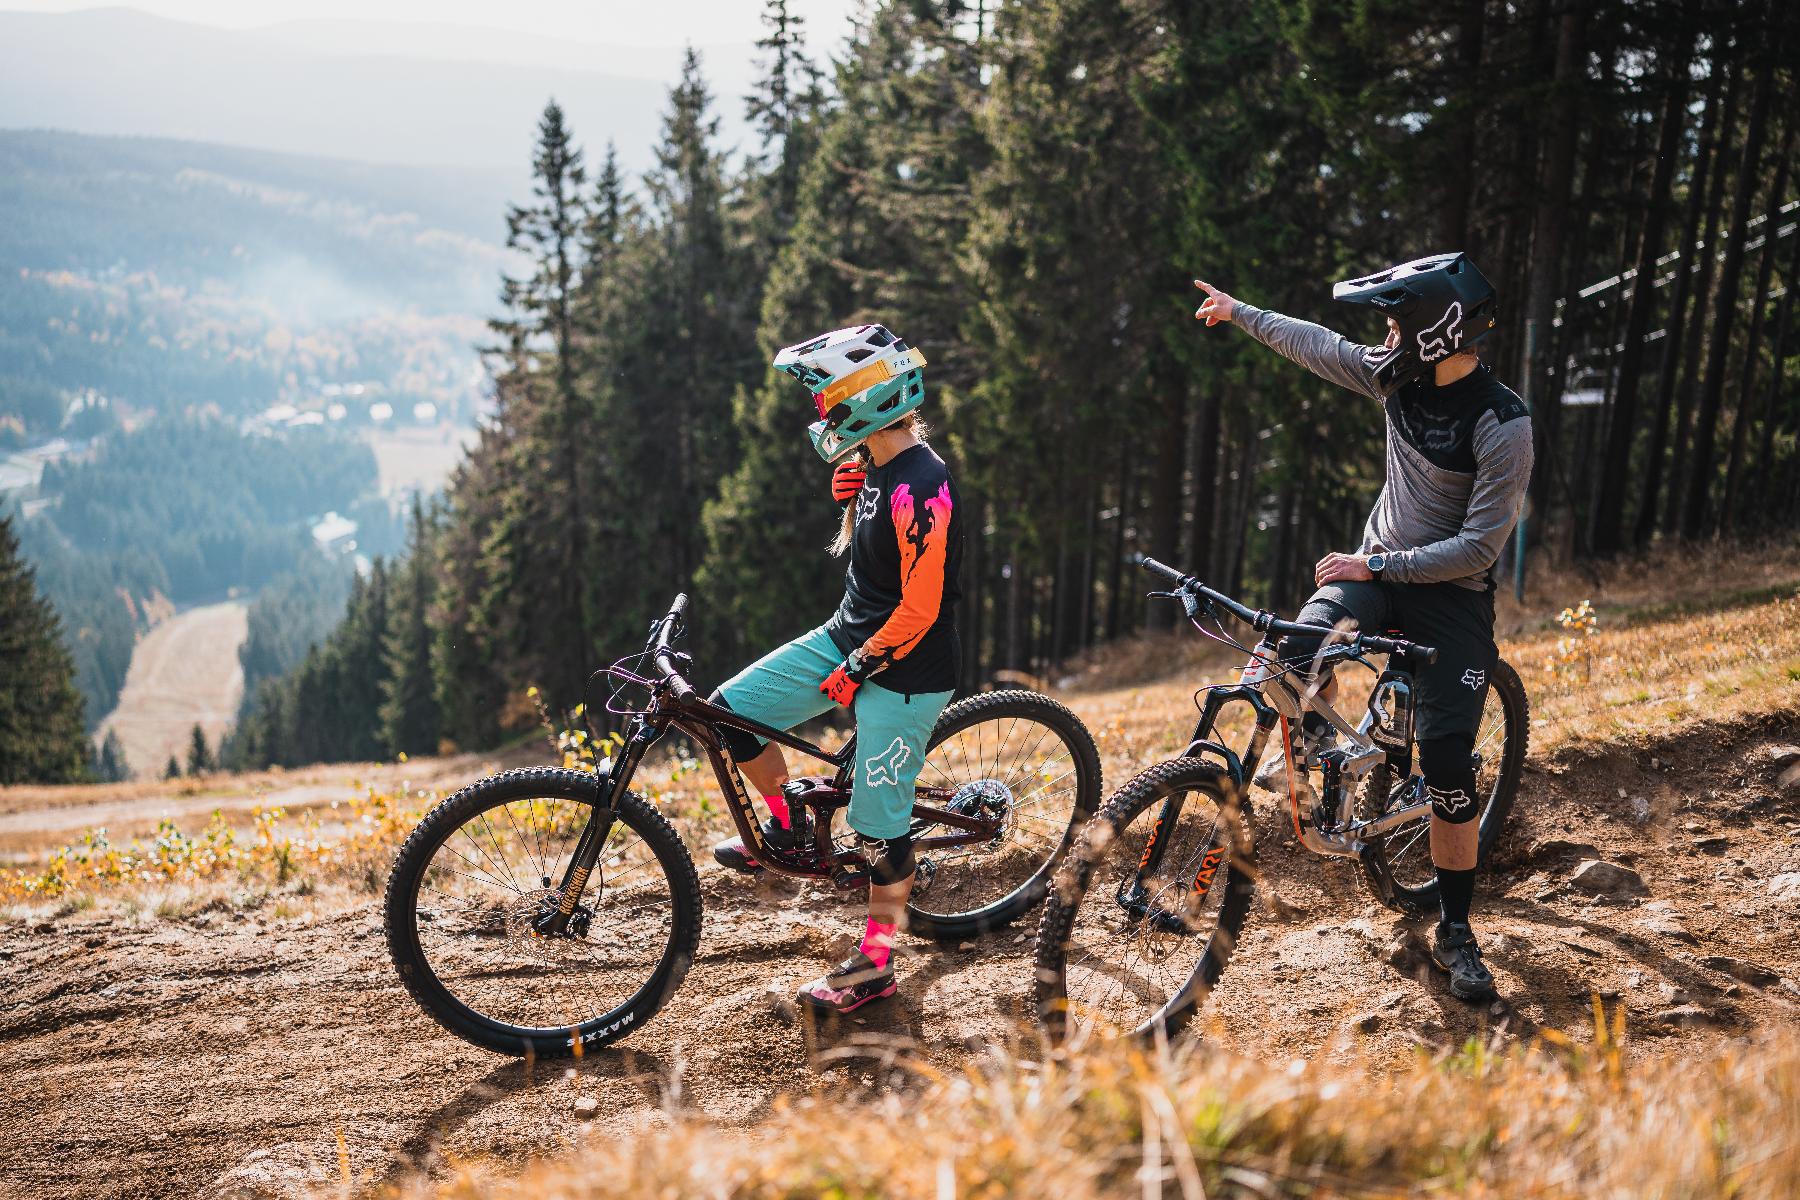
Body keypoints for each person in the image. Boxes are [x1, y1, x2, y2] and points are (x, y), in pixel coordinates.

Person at [1192, 252, 1532, 1001]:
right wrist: (1241, 311)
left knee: (1446, 769)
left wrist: (1375, 567)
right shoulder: (1395, 375)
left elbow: (1479, 546)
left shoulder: (1501, 424)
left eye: (1395, 322)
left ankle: (1455, 928)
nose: (1383, 335)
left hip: (1450, 596)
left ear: (1436, 332)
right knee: (1290, 652)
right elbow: (1320, 344)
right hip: (1373, 575)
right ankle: (1321, 739)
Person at [708, 322, 961, 1016]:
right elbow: (868, 549)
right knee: (731, 712)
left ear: (868, 398)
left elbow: (921, 605)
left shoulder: (924, 483)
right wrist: (849, 496)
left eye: (828, 396)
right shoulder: (874, 465)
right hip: (847, 635)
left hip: (907, 667)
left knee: (879, 833)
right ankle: (789, 823)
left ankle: (876, 966)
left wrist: (858, 666)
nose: (821, 412)